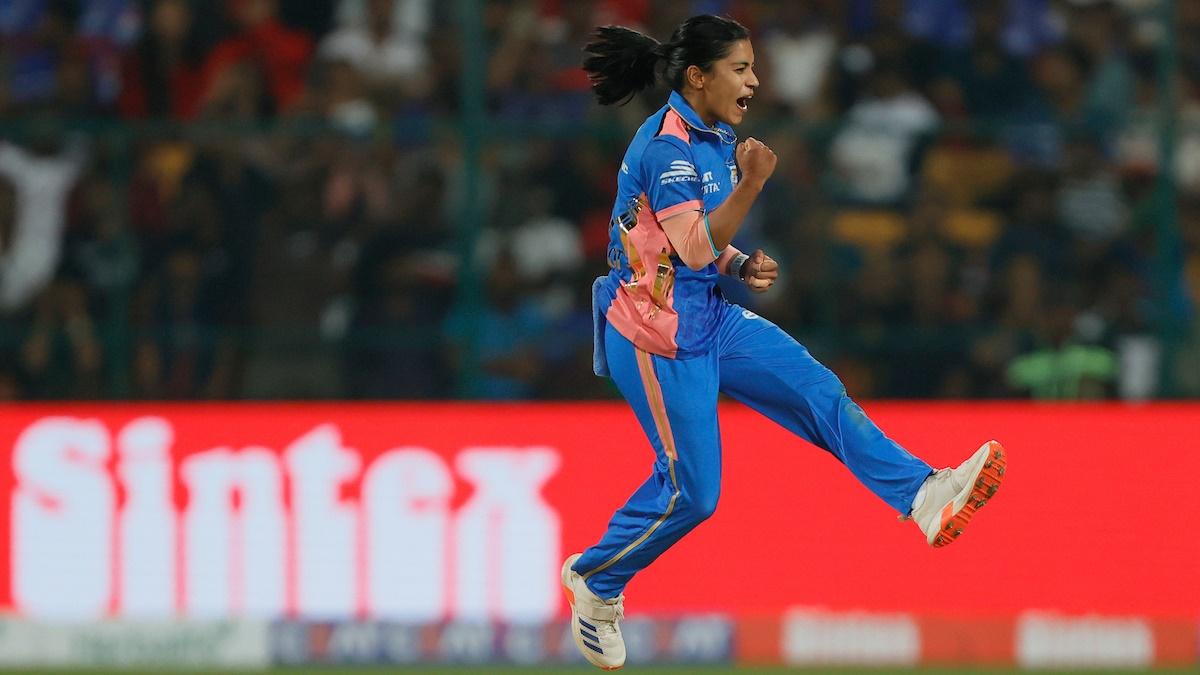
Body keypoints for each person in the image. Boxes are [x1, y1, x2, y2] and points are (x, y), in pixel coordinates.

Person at [561, 15, 1008, 670]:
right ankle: (596, 580)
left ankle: (924, 495)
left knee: (819, 391)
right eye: (740, 68)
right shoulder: (668, 149)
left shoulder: (715, 136)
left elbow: (689, 244)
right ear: (697, 76)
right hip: (655, 336)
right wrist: (752, 185)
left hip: (705, 313)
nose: (754, 80)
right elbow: (689, 244)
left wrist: (738, 265)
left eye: (752, 66)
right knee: (695, 493)